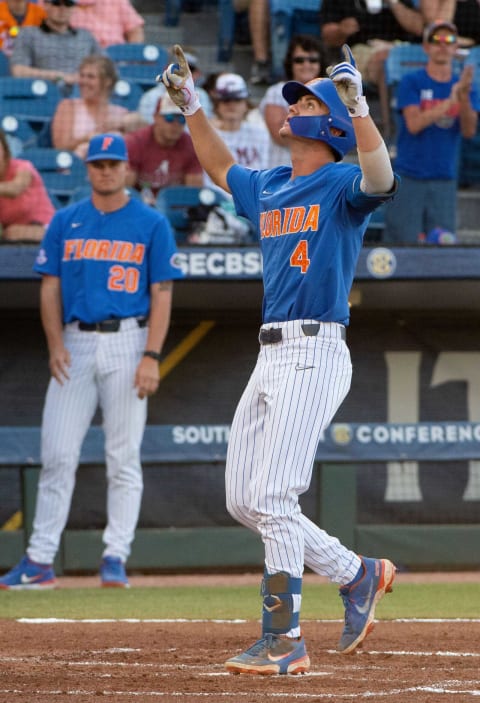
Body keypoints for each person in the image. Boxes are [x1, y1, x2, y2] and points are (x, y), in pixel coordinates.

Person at [161, 44, 398, 674]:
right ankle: (356, 574)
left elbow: (382, 180)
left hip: (316, 348)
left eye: (308, 101)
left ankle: (284, 637)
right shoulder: (269, 184)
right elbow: (218, 167)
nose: (293, 106)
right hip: (270, 352)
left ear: (331, 126)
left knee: (273, 494)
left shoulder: (341, 179)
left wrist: (359, 106)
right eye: (297, 99)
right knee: (246, 499)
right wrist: (192, 105)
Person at [0, 133, 183, 590]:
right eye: (98, 164)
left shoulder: (151, 223)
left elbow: (162, 292)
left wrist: (151, 356)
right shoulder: (66, 220)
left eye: (113, 164)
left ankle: (115, 555)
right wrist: (54, 343)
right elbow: (48, 287)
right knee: (57, 455)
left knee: (123, 457)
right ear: (89, 169)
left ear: (126, 168)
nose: (105, 171)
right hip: (75, 343)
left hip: (129, 338)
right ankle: (40, 560)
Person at [384, 20, 478, 243]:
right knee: (403, 245)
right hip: (409, 176)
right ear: (426, 47)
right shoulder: (411, 82)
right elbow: (414, 124)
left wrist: (462, 98)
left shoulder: (464, 87)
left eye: (449, 40)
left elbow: (468, 130)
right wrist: (450, 101)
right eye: (437, 40)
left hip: (444, 177)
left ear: (456, 48)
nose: (443, 45)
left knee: (442, 250)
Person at [51, 54, 146, 158]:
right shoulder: (68, 106)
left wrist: (125, 122)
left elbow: (146, 136)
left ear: (107, 82)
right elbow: (60, 147)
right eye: (82, 76)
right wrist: (88, 138)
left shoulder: (121, 113)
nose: (83, 81)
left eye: (90, 77)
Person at [320, 0, 424, 87]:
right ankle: (387, 111)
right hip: (361, 49)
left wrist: (393, 2)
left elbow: (418, 28)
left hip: (400, 47)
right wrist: (341, 30)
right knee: (384, 62)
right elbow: (328, 38)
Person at [259, 33, 324, 168]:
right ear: (290, 63)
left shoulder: (329, 94)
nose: (306, 64)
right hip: (283, 170)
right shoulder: (276, 92)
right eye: (299, 60)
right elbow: (281, 136)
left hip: (322, 171)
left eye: (313, 60)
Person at [125, 92, 203, 202]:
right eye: (169, 118)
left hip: (174, 206)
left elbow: (193, 194)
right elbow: (124, 189)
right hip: (139, 204)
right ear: (156, 117)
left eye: (181, 119)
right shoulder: (135, 142)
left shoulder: (192, 145)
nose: (176, 124)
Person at [10, 0, 100, 88]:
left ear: (74, 8)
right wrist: (57, 76)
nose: (62, 8)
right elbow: (18, 71)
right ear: (45, 5)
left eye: (68, 3)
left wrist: (84, 76)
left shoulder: (85, 36)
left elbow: (106, 68)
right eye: (56, 3)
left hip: (81, 96)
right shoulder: (28, 34)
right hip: (42, 95)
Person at [205, 72, 270, 190]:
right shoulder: (207, 137)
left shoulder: (261, 133)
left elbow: (265, 172)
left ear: (246, 103)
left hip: (253, 197)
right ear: (217, 104)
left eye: (237, 100)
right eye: (226, 100)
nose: (231, 105)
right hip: (216, 200)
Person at [0, 128, 55, 242]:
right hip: (12, 243)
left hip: (45, 230)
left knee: (14, 232)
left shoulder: (23, 167)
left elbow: (15, 188)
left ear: (4, 149)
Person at [137, 48, 212, 125]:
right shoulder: (151, 96)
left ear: (197, 74)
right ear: (166, 69)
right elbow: (149, 126)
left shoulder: (201, 96)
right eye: (178, 68)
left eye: (189, 70)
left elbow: (202, 127)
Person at [69, 0, 144, 49]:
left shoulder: (117, 1)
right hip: (77, 56)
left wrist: (131, 56)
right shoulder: (62, 4)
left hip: (115, 55)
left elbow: (135, 31)